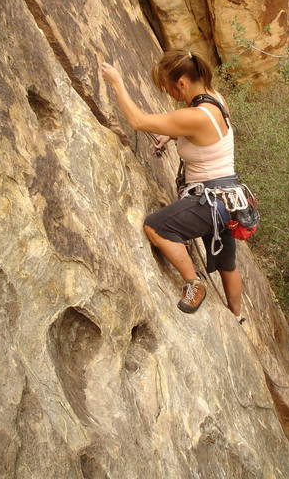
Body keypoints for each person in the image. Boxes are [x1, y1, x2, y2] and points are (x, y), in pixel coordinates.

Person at [101, 50, 244, 322]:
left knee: (156, 227)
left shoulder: (196, 116)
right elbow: (203, 132)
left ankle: (194, 284)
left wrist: (117, 82)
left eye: (167, 87)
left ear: (181, 83)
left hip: (209, 201)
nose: (167, 93)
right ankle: (236, 316)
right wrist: (170, 135)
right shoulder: (215, 99)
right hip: (228, 200)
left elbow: (138, 121)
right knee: (228, 264)